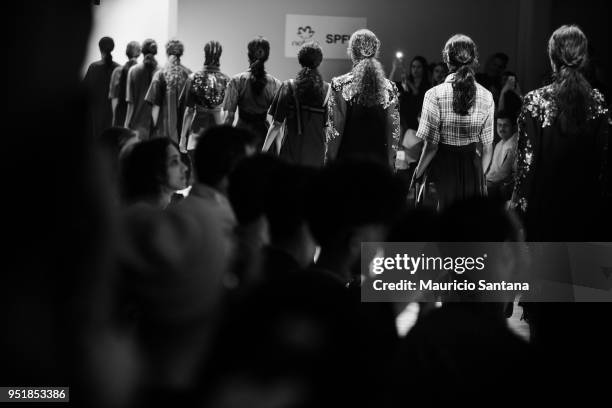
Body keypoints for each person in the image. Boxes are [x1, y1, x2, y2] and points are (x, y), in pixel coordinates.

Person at [511, 25, 610, 241]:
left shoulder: (534, 102)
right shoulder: (598, 103)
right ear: (583, 58)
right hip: (586, 214)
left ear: (552, 58)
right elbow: (604, 165)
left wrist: (517, 212)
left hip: (543, 212)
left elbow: (526, 165)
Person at [412, 34, 494, 210]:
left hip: (442, 169)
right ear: (473, 59)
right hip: (473, 170)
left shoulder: (434, 94)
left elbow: (431, 146)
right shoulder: (487, 95)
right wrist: (481, 177)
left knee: (442, 229)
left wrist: (417, 173)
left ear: (447, 60)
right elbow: (488, 148)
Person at [325, 29, 400, 168]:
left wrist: (329, 163)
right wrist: (391, 166)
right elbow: (393, 132)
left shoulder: (339, 85)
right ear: (375, 52)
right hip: (379, 167)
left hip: (346, 167)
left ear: (352, 53)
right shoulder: (390, 88)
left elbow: (335, 130)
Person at [264, 42, 330, 167]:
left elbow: (276, 124)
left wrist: (263, 152)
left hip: (290, 155)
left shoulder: (288, 86)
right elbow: (327, 129)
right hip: (316, 158)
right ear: (319, 62)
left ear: (300, 60)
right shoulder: (328, 90)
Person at [223, 37, 281, 148]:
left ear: (248, 55)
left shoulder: (237, 80)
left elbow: (229, 117)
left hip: (241, 136)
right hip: (264, 138)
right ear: (266, 56)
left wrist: (225, 143)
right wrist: (278, 149)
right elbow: (277, 123)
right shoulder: (275, 83)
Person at [179, 41, 230, 161]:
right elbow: (228, 113)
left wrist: (182, 138)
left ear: (205, 54)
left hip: (197, 131)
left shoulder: (193, 78)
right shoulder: (226, 80)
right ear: (220, 56)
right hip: (218, 133)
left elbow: (189, 111)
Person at [119, 138, 188, 208]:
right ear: (157, 170)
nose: (185, 168)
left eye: (180, 160)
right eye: (174, 162)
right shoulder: (147, 215)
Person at [146, 39, 192, 142]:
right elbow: (191, 108)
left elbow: (155, 107)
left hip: (163, 132)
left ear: (167, 53)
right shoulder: (189, 74)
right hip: (183, 133)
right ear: (181, 53)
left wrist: (153, 131)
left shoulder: (160, 74)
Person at [84, 36, 120, 138]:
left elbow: (86, 90)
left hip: (95, 116)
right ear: (113, 48)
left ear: (100, 48)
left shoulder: (93, 68)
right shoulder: (118, 69)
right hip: (113, 115)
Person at [125, 39, 159, 140]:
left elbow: (130, 102)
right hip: (155, 127)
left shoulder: (133, 71)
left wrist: (126, 125)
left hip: (136, 126)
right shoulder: (161, 72)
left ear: (142, 52)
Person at [390, 55, 431, 134]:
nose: (415, 69)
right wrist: (394, 68)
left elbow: (417, 93)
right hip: (404, 120)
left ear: (423, 68)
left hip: (417, 122)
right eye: (413, 67)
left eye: (419, 67)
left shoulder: (426, 84)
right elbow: (390, 87)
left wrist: (408, 81)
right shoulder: (406, 83)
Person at [486, 110, 518, 200]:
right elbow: (493, 171)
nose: (501, 129)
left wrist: (484, 183)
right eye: (499, 125)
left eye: (505, 125)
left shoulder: (514, 143)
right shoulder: (499, 144)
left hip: (508, 190)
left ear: (514, 127)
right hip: (496, 185)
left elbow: (503, 174)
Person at [109, 41, 141, 127]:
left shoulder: (117, 71)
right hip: (137, 117)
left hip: (121, 114)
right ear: (139, 53)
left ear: (126, 53)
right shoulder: (142, 72)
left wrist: (114, 118)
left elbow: (114, 97)